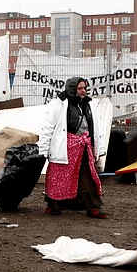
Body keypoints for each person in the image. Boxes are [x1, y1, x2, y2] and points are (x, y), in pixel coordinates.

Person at [38, 77, 108, 219]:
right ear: (72, 89)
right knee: (58, 177)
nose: (83, 91)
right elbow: (48, 128)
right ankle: (53, 206)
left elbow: (95, 127)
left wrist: (97, 149)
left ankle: (93, 207)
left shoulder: (88, 104)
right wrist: (43, 150)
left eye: (85, 88)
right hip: (64, 147)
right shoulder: (59, 104)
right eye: (80, 88)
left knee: (87, 176)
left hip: (83, 147)